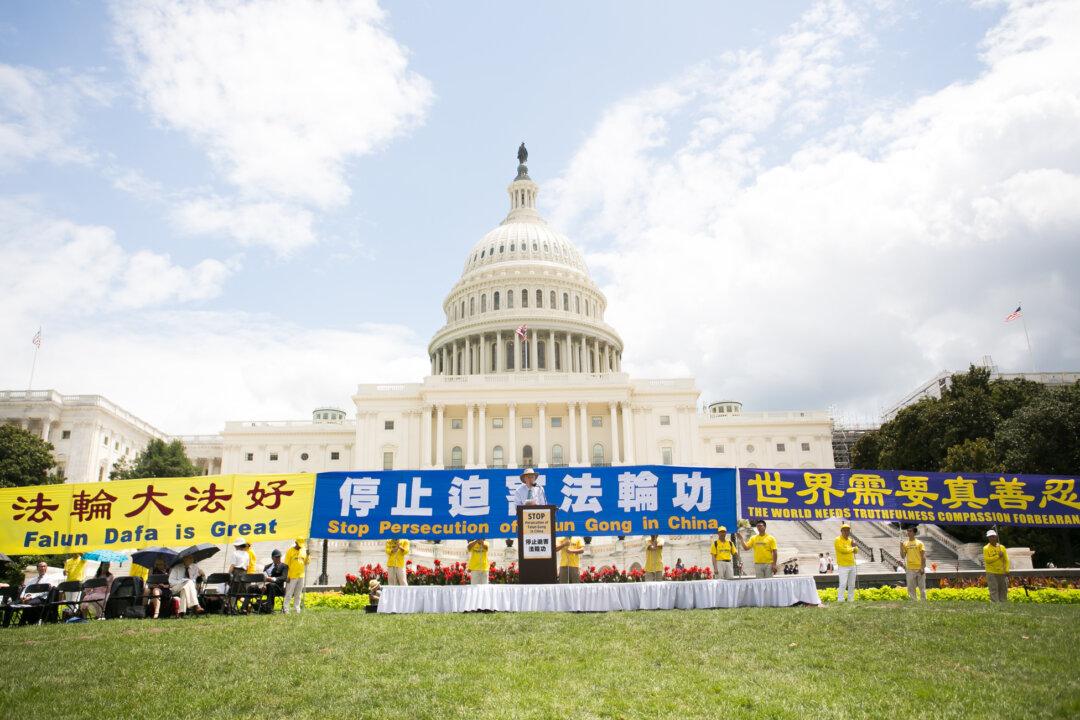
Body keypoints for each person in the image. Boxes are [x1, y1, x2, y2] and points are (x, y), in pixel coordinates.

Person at [2, 561, 53, 627]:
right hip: (26, 598)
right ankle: (5, 625)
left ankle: (21, 623)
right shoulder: (32, 580)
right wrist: (22, 596)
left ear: (46, 568)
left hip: (40, 598)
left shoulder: (49, 579)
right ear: (37, 568)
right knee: (9, 606)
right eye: (40, 566)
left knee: (28, 603)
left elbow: (44, 592)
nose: (42, 568)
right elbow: (25, 589)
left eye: (44, 566)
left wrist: (30, 597)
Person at [283, 538, 309, 614]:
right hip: (292, 576)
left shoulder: (304, 550)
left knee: (298, 594)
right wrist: (287, 576)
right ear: (295, 543)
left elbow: (306, 562)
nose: (300, 546)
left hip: (301, 575)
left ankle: (296, 609)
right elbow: (286, 565)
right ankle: (286, 609)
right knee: (289, 593)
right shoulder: (290, 551)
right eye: (299, 545)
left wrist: (308, 555)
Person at [901, 526, 927, 601]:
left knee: (922, 587)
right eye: (908, 531)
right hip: (910, 568)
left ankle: (923, 601)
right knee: (911, 588)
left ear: (914, 533)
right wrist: (901, 547)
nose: (908, 532)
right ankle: (913, 601)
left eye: (910, 531)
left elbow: (923, 556)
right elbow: (903, 556)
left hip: (919, 568)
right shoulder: (905, 543)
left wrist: (922, 567)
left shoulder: (920, 543)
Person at [984, 530, 1009, 603]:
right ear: (988, 538)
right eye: (990, 537)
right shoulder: (986, 548)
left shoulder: (1002, 547)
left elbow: (1006, 560)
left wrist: (1007, 570)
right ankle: (995, 604)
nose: (992, 538)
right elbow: (987, 560)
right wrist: (998, 556)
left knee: (1003, 589)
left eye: (993, 536)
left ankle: (1003, 603)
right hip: (991, 572)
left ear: (996, 537)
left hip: (1002, 572)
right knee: (993, 589)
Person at [834, 522, 858, 602]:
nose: (846, 532)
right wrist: (852, 548)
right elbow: (842, 550)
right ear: (841, 531)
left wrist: (854, 545)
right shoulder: (837, 540)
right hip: (843, 565)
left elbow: (856, 551)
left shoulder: (850, 540)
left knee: (852, 584)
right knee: (843, 583)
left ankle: (850, 599)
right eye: (844, 530)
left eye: (848, 530)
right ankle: (840, 599)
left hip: (852, 564)